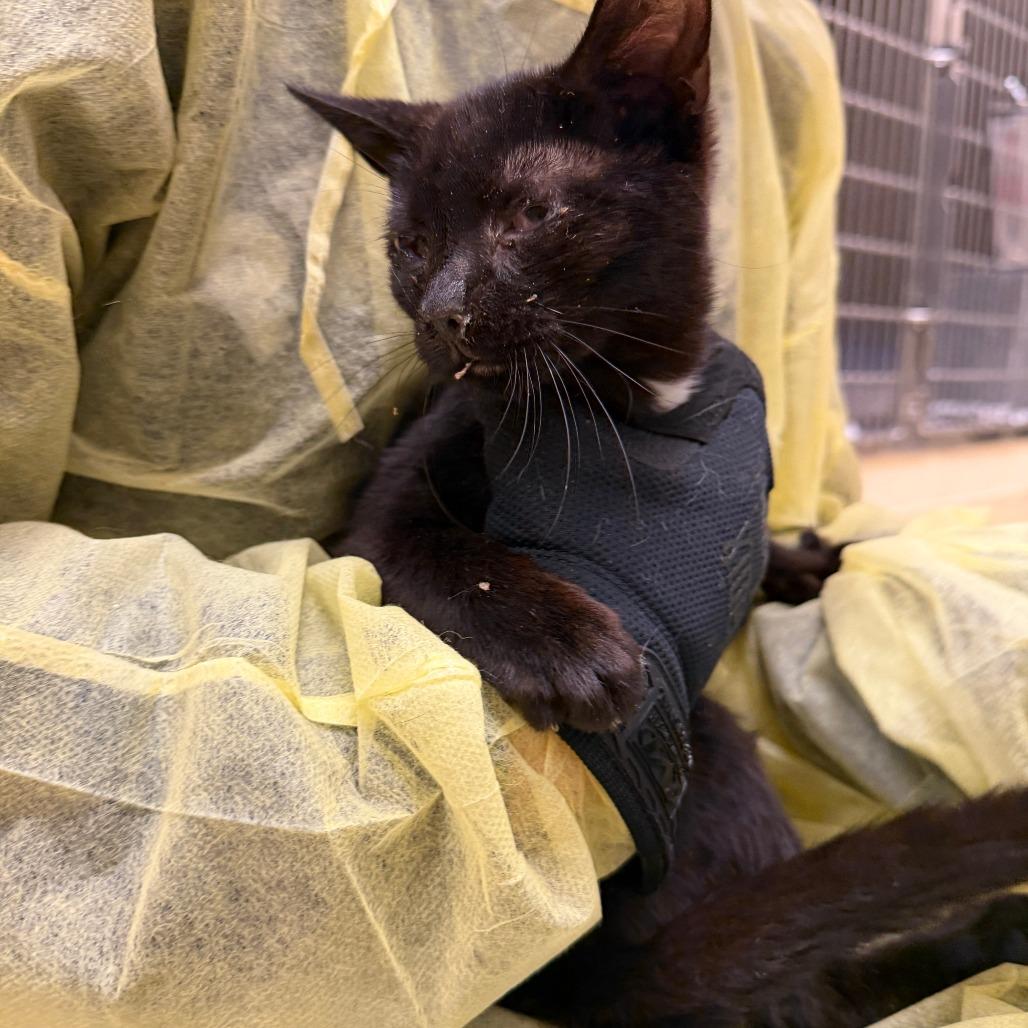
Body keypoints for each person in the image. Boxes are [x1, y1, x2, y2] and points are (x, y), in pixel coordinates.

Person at [1, 2, 1025, 1025]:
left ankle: (847, 972)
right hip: (503, 872)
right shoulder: (488, 407)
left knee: (715, 764)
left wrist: (756, 561)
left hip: (650, 889)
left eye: (521, 219)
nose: (445, 300)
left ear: (655, 127)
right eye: (416, 252)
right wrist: (518, 608)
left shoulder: (679, 338)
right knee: (702, 774)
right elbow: (390, 538)